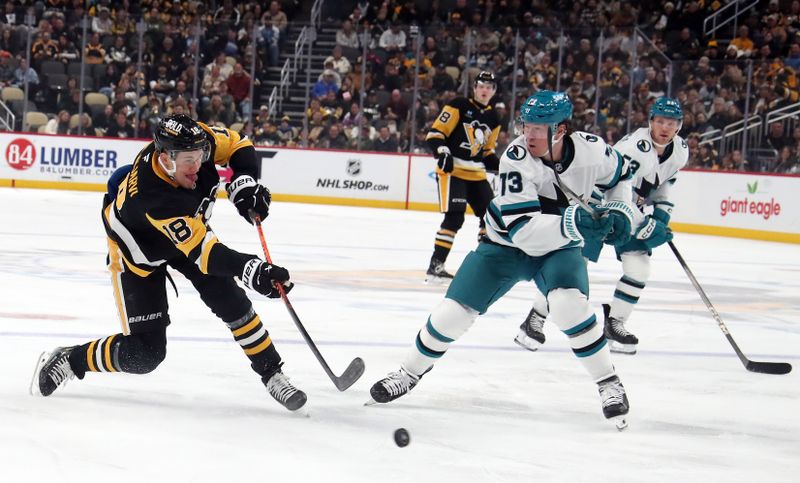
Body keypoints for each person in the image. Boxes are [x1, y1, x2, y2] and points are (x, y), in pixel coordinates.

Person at [368, 91, 635, 428]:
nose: (530, 134)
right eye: (527, 125)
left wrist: (623, 210)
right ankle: (408, 372)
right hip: (505, 245)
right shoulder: (516, 157)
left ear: (563, 129)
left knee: (569, 306)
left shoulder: (593, 149)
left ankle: (608, 381)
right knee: (452, 314)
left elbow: (622, 176)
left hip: (559, 249)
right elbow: (523, 232)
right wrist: (575, 222)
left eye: (541, 127)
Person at [30, 114, 307, 412]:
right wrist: (250, 269)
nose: (198, 166)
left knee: (232, 301)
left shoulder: (197, 139)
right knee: (145, 354)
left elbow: (239, 144)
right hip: (138, 254)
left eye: (200, 156)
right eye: (189, 159)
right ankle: (71, 359)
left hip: (188, 233)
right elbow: (206, 255)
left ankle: (272, 373)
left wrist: (245, 180)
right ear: (165, 158)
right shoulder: (153, 195)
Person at [515, 97, 686, 355]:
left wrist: (661, 214)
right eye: (660, 121)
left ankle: (616, 323)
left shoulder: (681, 150)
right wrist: (642, 224)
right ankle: (534, 318)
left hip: (630, 212)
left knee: (639, 268)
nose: (664, 127)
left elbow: (665, 184)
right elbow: (617, 187)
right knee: (573, 267)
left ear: (679, 126)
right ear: (650, 122)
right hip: (595, 206)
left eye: (670, 123)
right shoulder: (634, 148)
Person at [423, 71, 501, 282]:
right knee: (455, 217)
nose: (485, 90)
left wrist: (505, 166)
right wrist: (442, 152)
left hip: (476, 173)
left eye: (489, 87)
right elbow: (435, 134)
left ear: (494, 91)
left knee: (491, 218)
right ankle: (436, 266)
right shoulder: (459, 105)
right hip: (453, 171)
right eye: (481, 86)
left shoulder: (494, 117)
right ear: (474, 88)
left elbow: (487, 152)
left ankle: (484, 266)